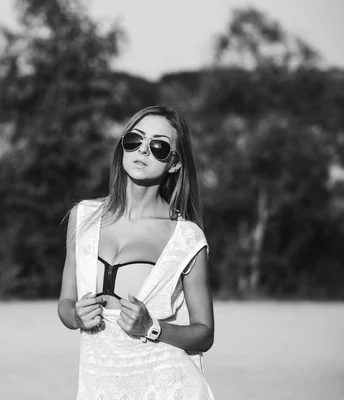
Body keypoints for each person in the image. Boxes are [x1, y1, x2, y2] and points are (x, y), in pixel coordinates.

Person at [58, 106, 216, 399]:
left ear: (175, 163)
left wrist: (152, 326)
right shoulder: (84, 217)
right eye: (135, 140)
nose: (143, 150)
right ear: (122, 147)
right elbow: (66, 303)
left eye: (158, 146)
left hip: (168, 387)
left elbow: (204, 333)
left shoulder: (186, 237)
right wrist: (76, 317)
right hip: (98, 386)